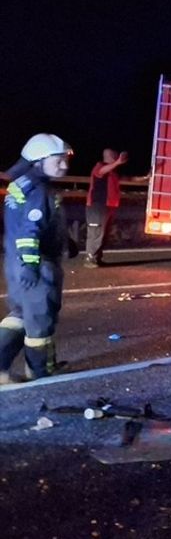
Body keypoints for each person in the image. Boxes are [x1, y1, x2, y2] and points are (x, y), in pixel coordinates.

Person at [1, 134, 73, 383]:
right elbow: (29, 231)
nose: (64, 165)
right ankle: (41, 370)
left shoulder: (22, 184)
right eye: (58, 160)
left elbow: (34, 223)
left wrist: (66, 240)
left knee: (20, 314)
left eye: (65, 160)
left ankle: (0, 368)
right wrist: (32, 266)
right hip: (37, 264)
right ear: (38, 161)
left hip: (15, 262)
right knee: (41, 317)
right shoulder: (40, 190)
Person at [84, 148, 128, 267]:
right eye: (115, 155)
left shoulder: (113, 172)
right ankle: (89, 258)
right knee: (96, 232)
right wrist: (118, 162)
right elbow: (101, 171)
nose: (117, 157)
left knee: (103, 233)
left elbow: (128, 179)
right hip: (97, 205)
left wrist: (146, 177)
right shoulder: (100, 166)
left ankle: (97, 258)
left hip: (109, 206)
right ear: (109, 156)